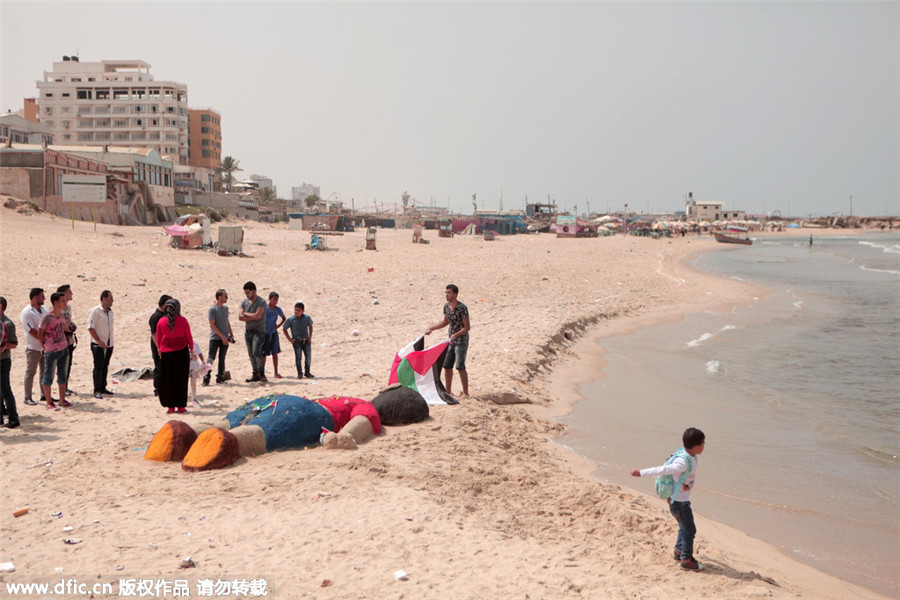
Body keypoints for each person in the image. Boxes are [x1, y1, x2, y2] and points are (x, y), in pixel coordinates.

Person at [629, 427, 707, 571]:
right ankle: (686, 560)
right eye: (703, 444)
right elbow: (663, 469)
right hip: (679, 503)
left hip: (679, 500)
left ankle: (678, 552)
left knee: (684, 528)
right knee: (689, 530)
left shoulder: (691, 456)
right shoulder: (682, 462)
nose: (704, 446)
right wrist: (640, 473)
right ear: (695, 446)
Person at [425, 283, 471, 397]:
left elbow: (467, 327)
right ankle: (448, 391)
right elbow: (445, 322)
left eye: (449, 292)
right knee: (447, 366)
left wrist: (456, 334)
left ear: (455, 294)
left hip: (461, 341)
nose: (446, 295)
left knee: (460, 366)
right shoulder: (446, 306)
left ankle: (465, 392)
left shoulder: (462, 308)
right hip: (450, 340)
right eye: (446, 292)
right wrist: (432, 328)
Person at [155, 298, 192, 414]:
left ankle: (170, 407)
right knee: (181, 379)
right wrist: (192, 349)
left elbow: (159, 338)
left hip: (166, 354)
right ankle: (180, 406)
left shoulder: (161, 321)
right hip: (181, 353)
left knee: (168, 380)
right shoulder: (183, 320)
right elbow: (188, 336)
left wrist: (160, 350)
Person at [39, 292, 73, 410]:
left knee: (63, 375)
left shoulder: (63, 315)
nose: (65, 302)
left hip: (63, 347)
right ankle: (49, 401)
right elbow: (40, 333)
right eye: (62, 300)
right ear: (55, 302)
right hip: (51, 349)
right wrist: (44, 346)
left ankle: (62, 400)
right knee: (48, 376)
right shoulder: (47, 317)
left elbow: (64, 327)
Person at [20, 288, 47, 406]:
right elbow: (31, 331)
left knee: (44, 371)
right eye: (42, 296)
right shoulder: (26, 312)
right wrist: (43, 340)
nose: (44, 298)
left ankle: (44, 394)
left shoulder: (45, 309)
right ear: (35, 298)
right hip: (33, 347)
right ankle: (27, 397)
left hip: (45, 346)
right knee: (31, 372)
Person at [87, 290, 115, 399]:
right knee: (98, 367)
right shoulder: (95, 311)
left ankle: (103, 387)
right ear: (104, 299)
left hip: (109, 343)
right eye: (110, 299)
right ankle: (97, 389)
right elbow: (90, 327)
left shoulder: (110, 312)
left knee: (105, 365)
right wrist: (99, 341)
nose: (112, 301)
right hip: (98, 344)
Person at [238, 281, 267, 383]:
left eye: (248, 293)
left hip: (259, 330)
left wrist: (246, 314)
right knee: (251, 353)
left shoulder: (261, 301)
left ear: (254, 291)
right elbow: (240, 317)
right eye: (246, 293)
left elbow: (258, 315)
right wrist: (252, 316)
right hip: (248, 331)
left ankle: (261, 373)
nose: (247, 295)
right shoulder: (244, 302)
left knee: (256, 351)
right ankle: (255, 373)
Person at [204, 289, 234, 386]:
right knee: (211, 358)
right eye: (225, 296)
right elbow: (212, 325)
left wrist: (231, 334)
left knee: (222, 358)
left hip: (224, 337)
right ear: (220, 297)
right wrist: (222, 336)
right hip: (215, 338)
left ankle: (220, 377)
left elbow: (227, 321)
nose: (227, 298)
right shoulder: (212, 309)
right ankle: (206, 377)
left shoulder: (225, 308)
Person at [0, 297, 20, 428]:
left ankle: (13, 419)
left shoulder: (7, 323)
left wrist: (3, 346)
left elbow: (14, 344)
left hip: (3, 361)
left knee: (6, 390)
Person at [282, 302, 314, 379]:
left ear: (303, 311)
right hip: (297, 341)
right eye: (295, 310)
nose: (296, 312)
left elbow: (310, 326)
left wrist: (310, 337)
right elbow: (284, 328)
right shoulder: (291, 319)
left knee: (308, 357)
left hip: (305, 340)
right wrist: (290, 339)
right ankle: (300, 373)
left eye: (298, 310)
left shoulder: (307, 318)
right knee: (298, 358)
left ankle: (307, 372)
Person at [149, 294, 172, 396]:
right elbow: (154, 334)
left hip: (165, 345)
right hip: (158, 346)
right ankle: (157, 389)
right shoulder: (156, 317)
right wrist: (159, 347)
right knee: (158, 367)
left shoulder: (166, 315)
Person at [56, 284, 77, 397]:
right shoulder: (55, 309)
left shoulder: (68, 307)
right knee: (61, 366)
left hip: (69, 340)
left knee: (68, 365)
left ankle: (66, 386)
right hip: (59, 341)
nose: (71, 294)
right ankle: (62, 389)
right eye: (69, 292)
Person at [261, 291, 286, 379]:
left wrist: (278, 326)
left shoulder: (277, 309)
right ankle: (262, 372)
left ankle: (276, 372)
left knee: (275, 353)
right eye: (274, 299)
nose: (275, 301)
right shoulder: (265, 308)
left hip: (273, 333)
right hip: (265, 333)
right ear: (269, 299)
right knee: (263, 354)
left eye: (277, 299)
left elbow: (283, 318)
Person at [188, 340, 207, 407]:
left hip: (195, 366)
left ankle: (194, 398)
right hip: (185, 366)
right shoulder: (183, 344)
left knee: (193, 383)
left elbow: (200, 353)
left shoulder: (195, 344)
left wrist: (203, 362)